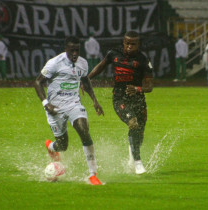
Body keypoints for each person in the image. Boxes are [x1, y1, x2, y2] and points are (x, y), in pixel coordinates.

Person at [34, 36, 104, 185]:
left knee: (84, 131)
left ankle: (93, 175)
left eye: (77, 50)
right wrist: (46, 103)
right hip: (55, 108)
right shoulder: (54, 63)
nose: (74, 53)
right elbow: (38, 82)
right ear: (65, 49)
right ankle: (51, 147)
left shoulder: (83, 63)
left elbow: (85, 80)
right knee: (62, 145)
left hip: (73, 104)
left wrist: (95, 100)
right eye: (71, 50)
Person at [88, 31, 153, 175]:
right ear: (123, 43)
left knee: (139, 133)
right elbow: (100, 66)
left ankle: (131, 157)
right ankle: (138, 162)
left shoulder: (143, 60)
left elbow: (149, 87)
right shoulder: (113, 54)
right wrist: (87, 78)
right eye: (127, 43)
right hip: (120, 99)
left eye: (133, 44)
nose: (130, 46)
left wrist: (137, 89)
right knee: (133, 123)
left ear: (138, 45)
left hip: (138, 100)